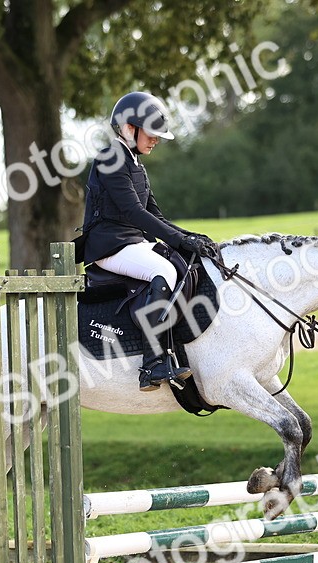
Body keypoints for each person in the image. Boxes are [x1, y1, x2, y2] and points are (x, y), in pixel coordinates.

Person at [79, 91, 217, 391]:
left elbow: (154, 213)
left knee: (181, 263)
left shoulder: (135, 164)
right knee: (163, 271)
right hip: (110, 245)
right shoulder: (111, 158)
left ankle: (172, 350)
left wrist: (189, 238)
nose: (155, 140)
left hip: (132, 242)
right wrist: (180, 239)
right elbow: (133, 212)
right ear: (129, 128)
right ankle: (152, 364)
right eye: (151, 133)